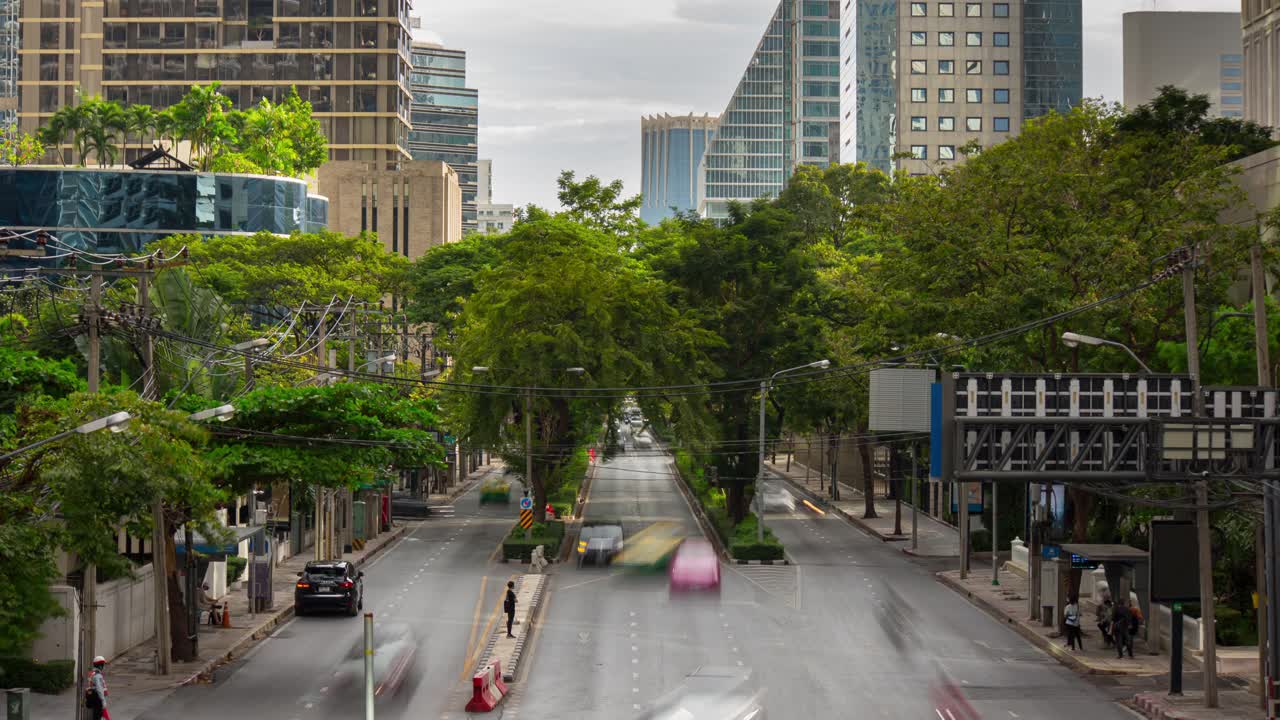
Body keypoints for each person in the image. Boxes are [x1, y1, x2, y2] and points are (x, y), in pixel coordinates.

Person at [84, 655, 109, 720]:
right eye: (103, 665)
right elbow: (99, 689)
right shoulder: (98, 675)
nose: (104, 667)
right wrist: (103, 701)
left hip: (93, 698)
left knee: (96, 715)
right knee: (97, 716)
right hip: (98, 699)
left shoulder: (92, 673)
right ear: (100, 666)